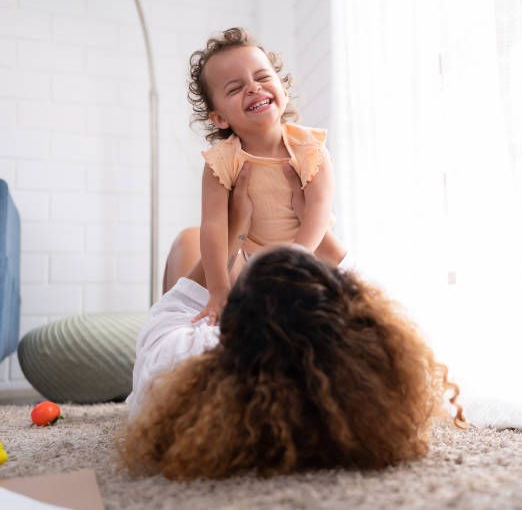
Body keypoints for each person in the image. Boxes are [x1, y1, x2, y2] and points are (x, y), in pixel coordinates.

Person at [120, 230, 466, 480]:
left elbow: (174, 307)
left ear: (224, 327)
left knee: (190, 239)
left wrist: (234, 228)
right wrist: (321, 237)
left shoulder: (181, 358)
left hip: (214, 341)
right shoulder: (374, 377)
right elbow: (383, 314)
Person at [187, 26, 347, 326]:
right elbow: (213, 228)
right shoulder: (220, 163)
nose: (253, 87)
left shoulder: (309, 148)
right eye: (234, 88)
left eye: (262, 77)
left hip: (312, 255)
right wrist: (219, 289)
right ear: (220, 117)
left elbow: (318, 210)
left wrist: (295, 256)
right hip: (255, 262)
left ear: (282, 90)